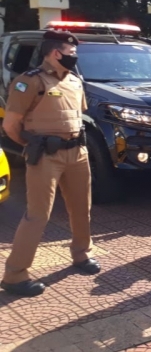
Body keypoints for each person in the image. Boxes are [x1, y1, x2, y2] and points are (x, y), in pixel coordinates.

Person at [1, 30, 99, 297]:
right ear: (56, 53)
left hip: (77, 153)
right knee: (38, 215)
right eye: (71, 53)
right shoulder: (28, 82)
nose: (74, 57)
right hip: (46, 156)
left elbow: (77, 116)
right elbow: (11, 125)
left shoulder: (75, 82)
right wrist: (33, 146)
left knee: (81, 208)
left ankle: (81, 255)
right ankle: (15, 275)